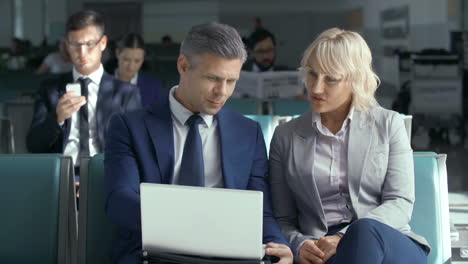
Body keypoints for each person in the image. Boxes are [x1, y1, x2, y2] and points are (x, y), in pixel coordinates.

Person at [104, 22, 293, 264]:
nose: (222, 92)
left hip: (228, 256)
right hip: (156, 254)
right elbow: (119, 201)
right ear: (183, 65)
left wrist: (279, 247)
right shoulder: (129, 127)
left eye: (231, 81)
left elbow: (262, 210)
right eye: (213, 78)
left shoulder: (249, 132)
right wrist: (195, 227)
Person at [269, 28, 429, 264]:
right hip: (323, 249)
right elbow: (283, 218)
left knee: (363, 232)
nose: (316, 88)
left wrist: (345, 235)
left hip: (389, 242)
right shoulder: (286, 136)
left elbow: (400, 202)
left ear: (356, 80)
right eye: (312, 74)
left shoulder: (388, 124)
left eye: (331, 79)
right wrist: (299, 244)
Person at [27, 10, 141, 172]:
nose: (82, 53)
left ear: (103, 43)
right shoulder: (49, 89)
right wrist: (57, 119)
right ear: (67, 45)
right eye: (75, 45)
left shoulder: (126, 93)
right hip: (61, 176)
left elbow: (135, 148)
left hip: (105, 174)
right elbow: (34, 146)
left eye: (89, 44)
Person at [115, 33, 163, 106]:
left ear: (143, 58)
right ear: (117, 53)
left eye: (137, 61)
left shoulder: (153, 88)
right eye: (126, 60)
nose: (131, 66)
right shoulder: (99, 84)